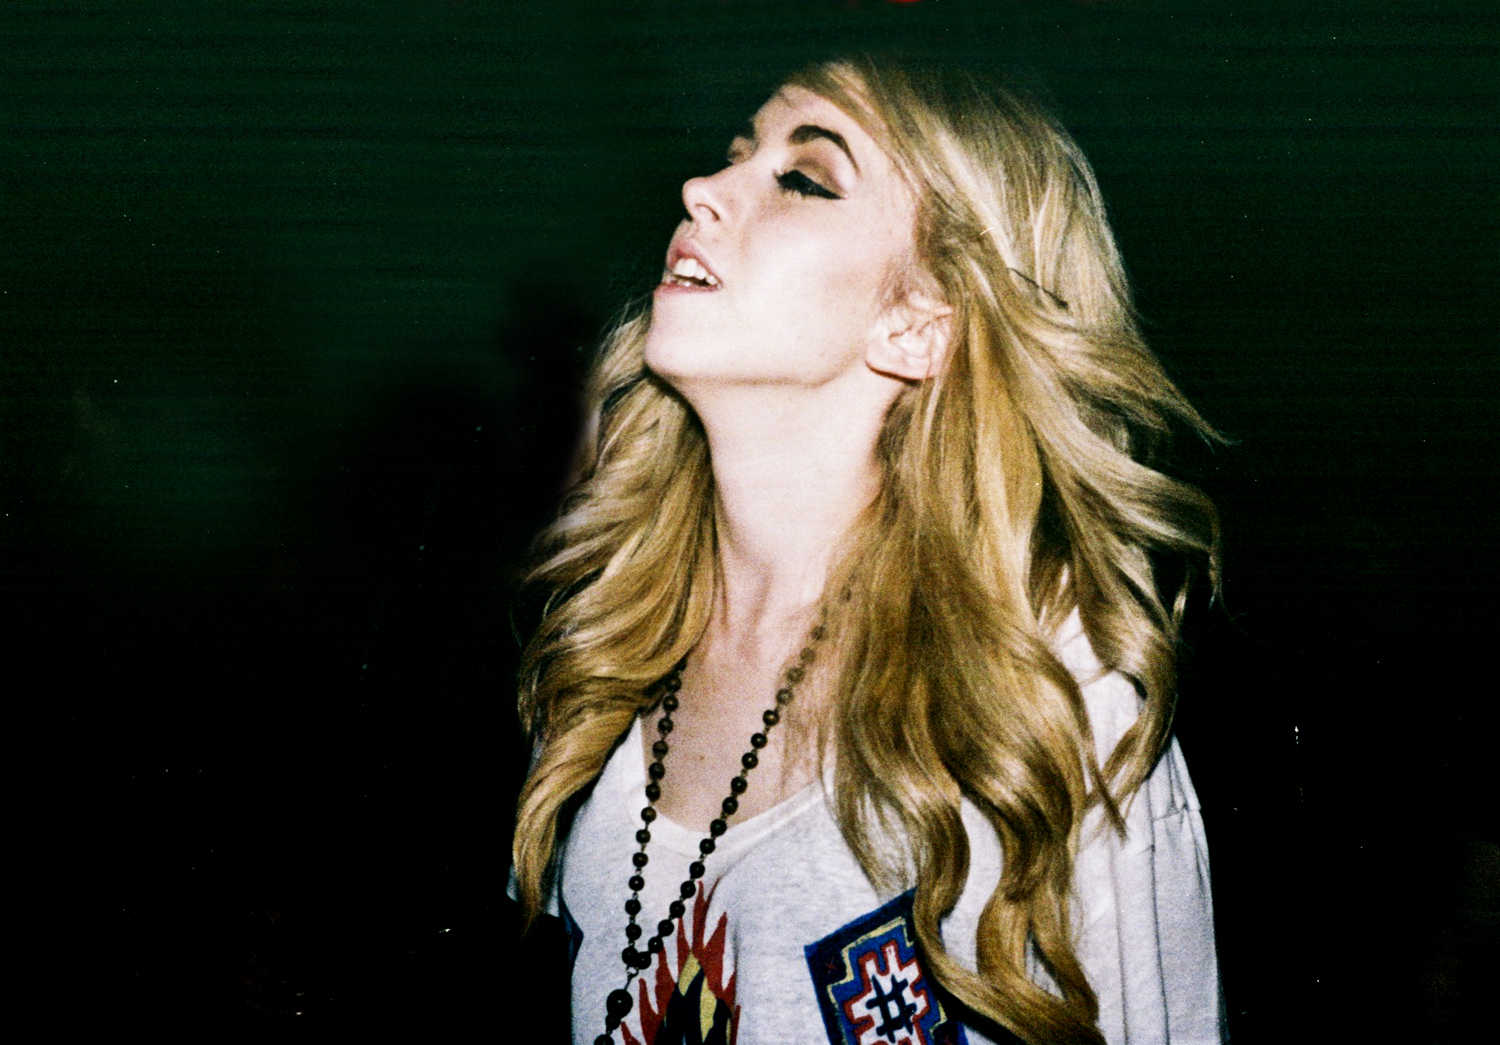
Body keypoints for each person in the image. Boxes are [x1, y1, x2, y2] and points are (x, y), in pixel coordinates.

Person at [509, 55, 1224, 1045]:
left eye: (804, 179)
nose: (702, 188)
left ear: (918, 323)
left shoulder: (1051, 698)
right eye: (735, 154)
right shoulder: (607, 652)